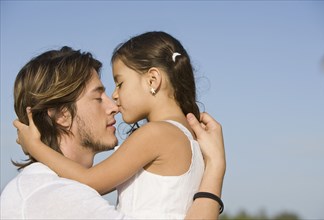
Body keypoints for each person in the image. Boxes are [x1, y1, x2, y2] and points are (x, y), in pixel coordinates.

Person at [10, 32, 225, 218]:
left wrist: (36, 146)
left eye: (120, 83)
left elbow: (89, 182)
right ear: (61, 115)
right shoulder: (194, 142)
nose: (114, 98)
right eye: (99, 96)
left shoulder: (156, 133)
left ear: (153, 80)